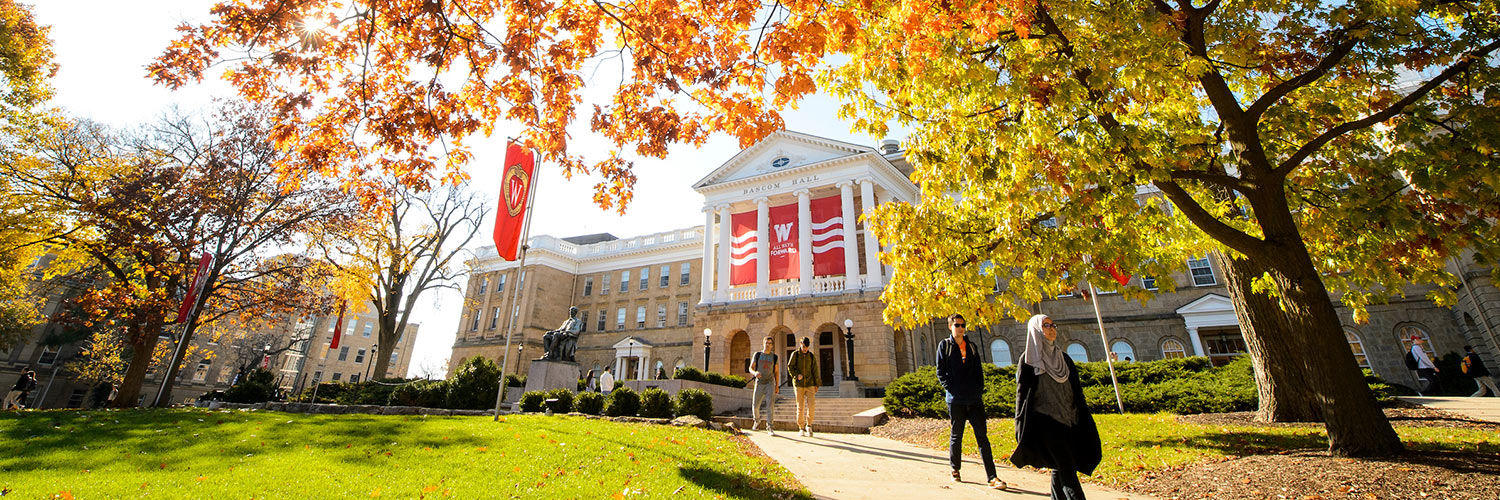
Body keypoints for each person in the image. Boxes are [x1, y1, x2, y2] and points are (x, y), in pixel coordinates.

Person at [1012, 314, 1101, 500]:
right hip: (1046, 421)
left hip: (1069, 419)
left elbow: (1076, 391)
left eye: (1053, 324)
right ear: (1036, 329)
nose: (1052, 329)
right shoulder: (1028, 361)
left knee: (1059, 467)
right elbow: (1022, 395)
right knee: (1067, 469)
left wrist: (1082, 417)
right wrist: (1019, 426)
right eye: (1046, 325)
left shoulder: (1065, 359)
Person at [935, 314, 1006, 490]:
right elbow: (940, 371)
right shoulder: (944, 346)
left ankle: (992, 476)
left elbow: (978, 371)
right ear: (950, 326)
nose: (960, 328)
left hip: (974, 399)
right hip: (956, 399)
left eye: (963, 325)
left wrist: (978, 389)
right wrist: (951, 389)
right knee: (956, 435)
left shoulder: (972, 347)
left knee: (982, 437)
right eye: (957, 325)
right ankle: (955, 469)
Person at [787, 336, 820, 437]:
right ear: (800, 344)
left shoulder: (811, 356)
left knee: (812, 405)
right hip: (799, 384)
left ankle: (809, 425)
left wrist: (816, 384)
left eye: (806, 347)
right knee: (800, 406)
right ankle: (801, 427)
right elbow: (790, 367)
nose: (805, 349)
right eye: (803, 346)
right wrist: (796, 375)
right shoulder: (795, 355)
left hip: (810, 383)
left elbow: (815, 370)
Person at [748, 336, 780, 435]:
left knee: (770, 405)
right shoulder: (757, 355)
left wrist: (776, 386)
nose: (768, 345)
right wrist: (755, 373)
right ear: (763, 343)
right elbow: (750, 368)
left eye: (770, 343)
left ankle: (770, 427)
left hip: (770, 382)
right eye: (766, 343)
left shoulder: (774, 357)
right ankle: (757, 420)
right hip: (759, 382)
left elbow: (776, 372)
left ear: (772, 345)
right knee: (755, 405)